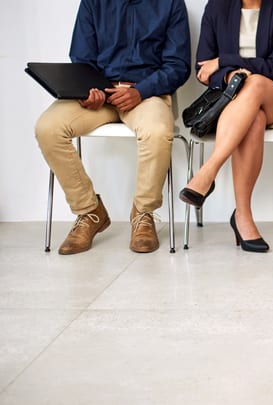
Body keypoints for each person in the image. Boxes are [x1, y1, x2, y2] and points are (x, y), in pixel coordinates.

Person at [35, 0, 191, 255]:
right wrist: (89, 90)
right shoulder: (93, 2)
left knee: (157, 131)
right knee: (48, 127)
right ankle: (90, 213)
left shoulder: (171, 3)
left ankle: (143, 214)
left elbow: (177, 65)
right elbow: (82, 59)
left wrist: (140, 91)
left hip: (147, 93)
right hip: (99, 94)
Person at [178, 0, 273, 253]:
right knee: (254, 119)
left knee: (257, 83)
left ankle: (208, 171)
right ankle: (243, 217)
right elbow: (203, 68)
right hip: (233, 102)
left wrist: (225, 61)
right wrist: (229, 76)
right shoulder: (216, 7)